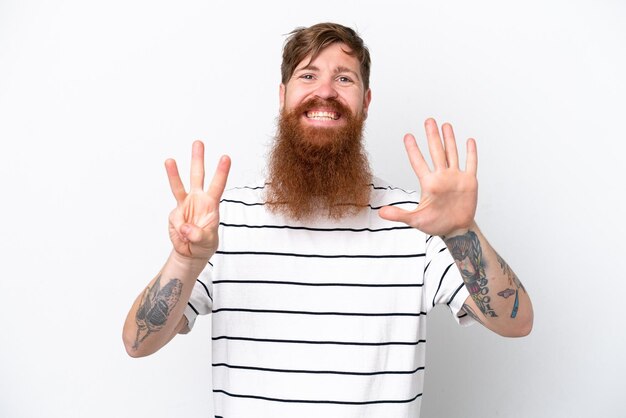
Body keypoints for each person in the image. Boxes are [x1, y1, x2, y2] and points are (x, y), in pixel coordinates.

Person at [123, 22, 533, 417]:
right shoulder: (221, 224)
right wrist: (186, 261)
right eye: (308, 75)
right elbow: (138, 343)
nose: (324, 92)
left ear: (366, 102)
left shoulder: (419, 222)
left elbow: (516, 323)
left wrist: (462, 233)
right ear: (282, 96)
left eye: (344, 79)